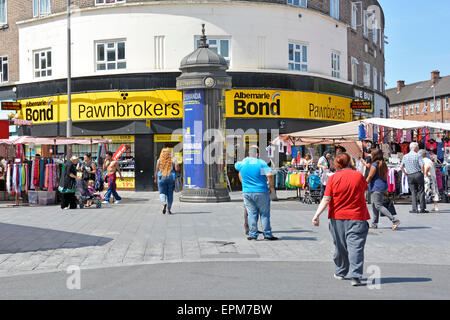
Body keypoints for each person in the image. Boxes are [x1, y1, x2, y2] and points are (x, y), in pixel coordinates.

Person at [312, 153, 370, 287]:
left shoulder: (333, 178)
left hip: (337, 217)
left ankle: (341, 271)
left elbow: (326, 199)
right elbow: (364, 191)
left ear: (336, 164)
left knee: (340, 246)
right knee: (356, 247)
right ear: (350, 162)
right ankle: (355, 276)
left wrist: (316, 215)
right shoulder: (359, 176)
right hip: (357, 216)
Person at [235, 145, 278, 241]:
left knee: (251, 214)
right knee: (264, 214)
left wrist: (244, 184)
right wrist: (271, 187)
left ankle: (253, 235)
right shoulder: (261, 163)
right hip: (261, 191)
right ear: (257, 154)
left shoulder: (243, 163)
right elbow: (269, 175)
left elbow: (238, 169)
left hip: (247, 192)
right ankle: (267, 234)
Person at [366, 149, 401, 230]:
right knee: (374, 205)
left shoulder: (375, 165)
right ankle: (374, 223)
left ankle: (394, 220)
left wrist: (363, 184)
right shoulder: (383, 163)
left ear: (375, 155)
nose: (371, 156)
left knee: (378, 205)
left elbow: (370, 176)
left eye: (372, 154)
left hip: (376, 187)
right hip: (383, 186)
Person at [400, 142, 428, 213]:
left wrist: (405, 173)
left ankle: (414, 208)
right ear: (415, 147)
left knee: (413, 192)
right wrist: (423, 172)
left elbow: (401, 166)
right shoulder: (418, 155)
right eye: (417, 147)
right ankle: (422, 208)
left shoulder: (405, 156)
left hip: (410, 175)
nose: (418, 148)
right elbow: (422, 165)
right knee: (421, 191)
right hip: (418, 174)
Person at [155, 147, 178, 214]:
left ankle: (164, 202)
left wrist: (155, 179)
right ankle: (168, 210)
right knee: (170, 194)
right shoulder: (173, 160)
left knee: (162, 192)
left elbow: (157, 170)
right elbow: (177, 169)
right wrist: (176, 163)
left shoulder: (159, 160)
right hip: (171, 178)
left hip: (161, 177)